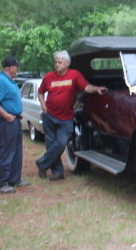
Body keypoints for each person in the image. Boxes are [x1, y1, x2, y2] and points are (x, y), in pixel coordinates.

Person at [35, 50, 107, 181]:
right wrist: (43, 105)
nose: (56, 65)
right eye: (55, 62)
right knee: (51, 145)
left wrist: (96, 88)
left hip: (66, 118)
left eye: (60, 62)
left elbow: (86, 87)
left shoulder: (74, 75)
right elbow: (40, 92)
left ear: (67, 63)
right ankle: (57, 172)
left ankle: (42, 163)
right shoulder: (49, 77)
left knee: (61, 143)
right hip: (49, 116)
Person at [0, 56, 31, 194]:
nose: (17, 69)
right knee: (6, 151)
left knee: (17, 151)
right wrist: (6, 115)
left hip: (15, 120)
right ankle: (1, 183)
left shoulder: (10, 81)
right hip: (7, 122)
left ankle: (14, 179)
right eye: (16, 67)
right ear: (10, 67)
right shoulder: (0, 80)